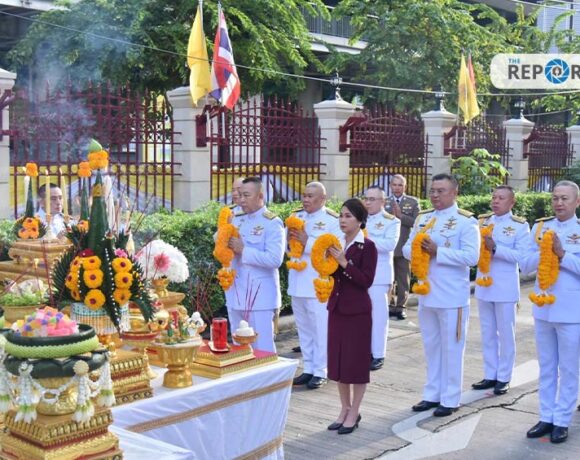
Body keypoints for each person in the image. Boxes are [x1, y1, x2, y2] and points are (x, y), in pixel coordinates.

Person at [403, 173, 479, 417]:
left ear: (454, 192)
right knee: (432, 346)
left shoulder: (466, 221)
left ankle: (450, 397)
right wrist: (417, 250)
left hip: (452, 297)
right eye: (433, 191)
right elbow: (406, 248)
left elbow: (472, 257)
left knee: (452, 349)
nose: (435, 195)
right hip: (427, 294)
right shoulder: (424, 218)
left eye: (441, 191)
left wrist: (439, 252)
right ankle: (432, 394)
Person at [521, 180, 580, 444]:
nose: (559, 203)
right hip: (543, 309)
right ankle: (546, 416)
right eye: (555, 198)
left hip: (571, 311)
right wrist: (544, 251)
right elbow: (525, 265)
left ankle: (562, 419)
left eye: (565, 198)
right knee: (546, 366)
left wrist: (561, 254)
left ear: (577, 202)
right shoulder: (540, 227)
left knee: (568, 368)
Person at [472, 186, 530, 396]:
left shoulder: (520, 226)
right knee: (487, 333)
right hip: (484, 284)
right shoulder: (482, 221)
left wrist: (495, 248)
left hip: (505, 287)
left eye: (501, 198)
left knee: (506, 334)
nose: (495, 201)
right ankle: (490, 374)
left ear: (512, 202)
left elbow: (522, 256)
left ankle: (504, 377)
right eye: (494, 197)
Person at [326, 198, 377, 434]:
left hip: (357, 312)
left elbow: (366, 280)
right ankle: (344, 408)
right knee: (338, 362)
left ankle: (355, 411)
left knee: (355, 363)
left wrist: (344, 263)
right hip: (337, 308)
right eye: (341, 215)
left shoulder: (368, 246)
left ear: (360, 220)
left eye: (348, 216)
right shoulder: (337, 243)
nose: (342, 220)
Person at [288, 182, 341, 389]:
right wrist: (289, 242)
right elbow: (288, 250)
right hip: (297, 281)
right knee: (304, 330)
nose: (306, 199)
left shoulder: (332, 220)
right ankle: (308, 368)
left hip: (318, 285)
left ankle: (321, 370)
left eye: (311, 196)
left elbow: (335, 250)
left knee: (320, 330)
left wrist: (307, 240)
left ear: (323, 199)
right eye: (304, 195)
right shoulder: (296, 217)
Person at [226, 177, 285, 353]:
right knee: (239, 349)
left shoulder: (272, 222)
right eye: (240, 195)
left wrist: (244, 250)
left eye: (246, 195)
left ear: (260, 196)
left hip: (260, 297)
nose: (241, 199)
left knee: (262, 349)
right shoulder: (236, 218)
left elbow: (275, 259)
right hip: (236, 293)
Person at [363, 187, 400, 371]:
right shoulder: (360, 219)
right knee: (362, 316)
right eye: (366, 199)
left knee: (378, 317)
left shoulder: (391, 221)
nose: (368, 202)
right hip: (359, 274)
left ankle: (378, 354)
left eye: (372, 199)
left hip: (379, 275)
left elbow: (389, 244)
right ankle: (365, 351)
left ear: (382, 202)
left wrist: (365, 241)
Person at [386, 174, 420, 320]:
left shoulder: (413, 202)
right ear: (390, 186)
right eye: (394, 185)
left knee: (403, 279)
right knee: (389, 278)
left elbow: (417, 223)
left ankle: (401, 307)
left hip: (403, 246)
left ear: (405, 186)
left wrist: (401, 216)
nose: (397, 188)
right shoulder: (384, 202)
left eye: (400, 185)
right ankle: (389, 305)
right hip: (388, 247)